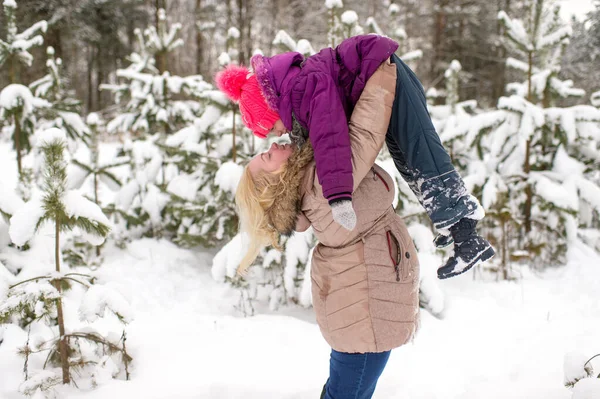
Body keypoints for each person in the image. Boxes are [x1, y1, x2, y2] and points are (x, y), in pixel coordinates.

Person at [216, 34, 494, 279]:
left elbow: (330, 135)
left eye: (274, 127)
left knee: (422, 153)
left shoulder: (301, 89)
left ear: (273, 108)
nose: (281, 134)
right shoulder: (298, 93)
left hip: (379, 66)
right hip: (376, 72)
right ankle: (451, 221)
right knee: (407, 158)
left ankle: (466, 235)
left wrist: (338, 196)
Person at [236, 57, 417, 399]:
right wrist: (381, 73)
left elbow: (336, 129)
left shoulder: (312, 175)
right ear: (274, 182)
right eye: (266, 157)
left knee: (345, 390)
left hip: (360, 308)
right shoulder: (320, 185)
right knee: (347, 393)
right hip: (363, 310)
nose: (272, 146)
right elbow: (363, 136)